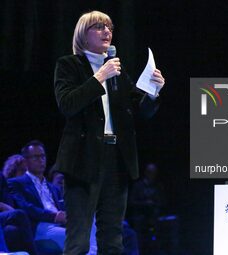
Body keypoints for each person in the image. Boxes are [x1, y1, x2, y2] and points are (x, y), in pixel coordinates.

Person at [54, 10, 165, 255]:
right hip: (83, 160)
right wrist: (99, 77)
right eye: (99, 27)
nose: (107, 32)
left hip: (116, 159)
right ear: (83, 34)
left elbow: (140, 110)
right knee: (79, 241)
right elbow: (67, 105)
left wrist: (154, 92)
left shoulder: (116, 70)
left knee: (113, 240)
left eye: (110, 27)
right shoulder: (69, 65)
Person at [8, 140, 66, 252]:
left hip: (59, 224)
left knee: (91, 227)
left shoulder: (54, 188)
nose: (41, 160)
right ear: (25, 161)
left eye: (43, 156)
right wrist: (53, 216)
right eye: (36, 157)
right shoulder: (16, 183)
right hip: (40, 226)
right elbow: (26, 207)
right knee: (72, 237)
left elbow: (63, 207)